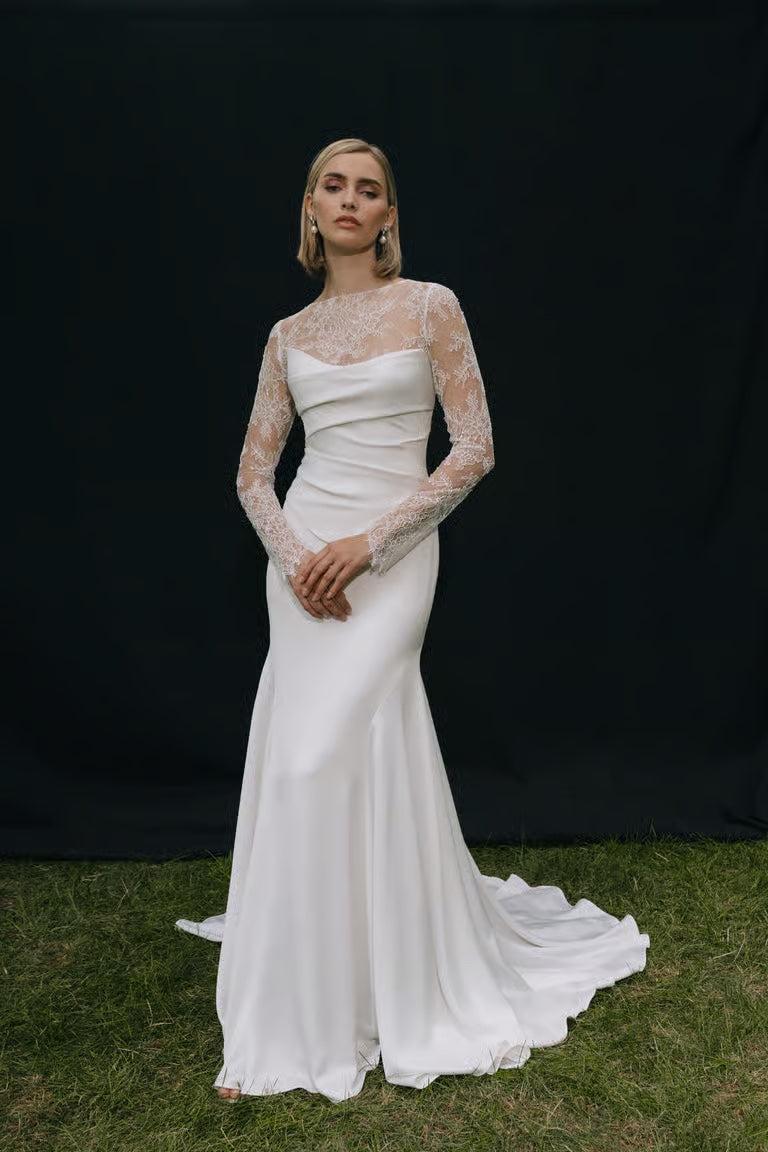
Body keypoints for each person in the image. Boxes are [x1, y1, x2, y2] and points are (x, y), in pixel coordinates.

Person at [175, 137, 650, 1104]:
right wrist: (297, 557)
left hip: (390, 558)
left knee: (328, 752)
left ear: (389, 215)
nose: (350, 200)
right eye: (333, 185)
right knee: (310, 758)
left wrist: (370, 545)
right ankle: (297, 1005)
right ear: (311, 209)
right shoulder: (286, 335)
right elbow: (252, 474)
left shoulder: (432, 306)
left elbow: (473, 448)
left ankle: (372, 979)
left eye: (370, 189)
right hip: (302, 561)